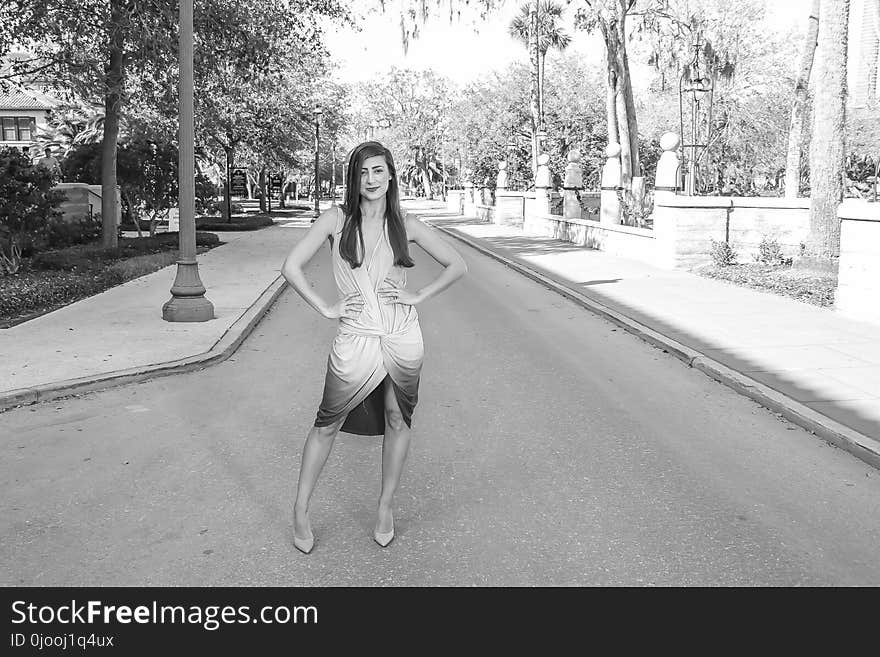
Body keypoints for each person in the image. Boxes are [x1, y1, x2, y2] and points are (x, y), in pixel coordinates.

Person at [281, 141, 467, 554]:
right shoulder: (336, 219)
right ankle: (300, 509)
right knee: (327, 422)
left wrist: (419, 296)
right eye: (364, 172)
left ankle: (385, 507)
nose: (371, 180)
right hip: (355, 337)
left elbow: (458, 265)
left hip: (402, 336)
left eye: (379, 171)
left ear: (390, 176)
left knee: (398, 419)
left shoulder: (407, 223)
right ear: (354, 177)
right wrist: (326, 308)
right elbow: (290, 268)